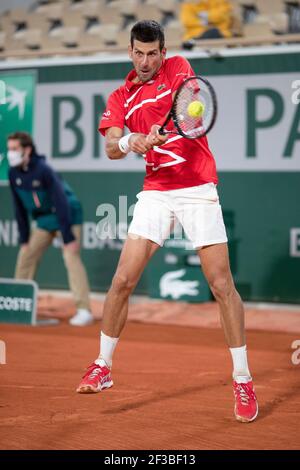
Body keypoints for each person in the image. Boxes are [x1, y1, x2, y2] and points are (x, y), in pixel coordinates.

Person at [76, 20, 258, 423]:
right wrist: (131, 141)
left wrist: (160, 131)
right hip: (156, 191)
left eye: (152, 53)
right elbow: (111, 146)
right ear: (130, 52)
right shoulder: (121, 96)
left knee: (221, 284)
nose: (145, 61)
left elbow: (188, 105)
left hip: (196, 186)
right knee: (122, 281)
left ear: (162, 51)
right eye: (138, 53)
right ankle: (103, 365)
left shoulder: (177, 68)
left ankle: (243, 379)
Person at [7, 132, 93, 327]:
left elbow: (61, 201)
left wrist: (68, 236)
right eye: (9, 149)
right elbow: (18, 207)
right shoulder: (13, 173)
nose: (10, 153)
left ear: (27, 150)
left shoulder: (44, 170)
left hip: (68, 215)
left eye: (14, 149)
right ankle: (18, 304)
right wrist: (24, 238)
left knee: (70, 257)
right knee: (26, 256)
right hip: (44, 219)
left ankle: (83, 310)